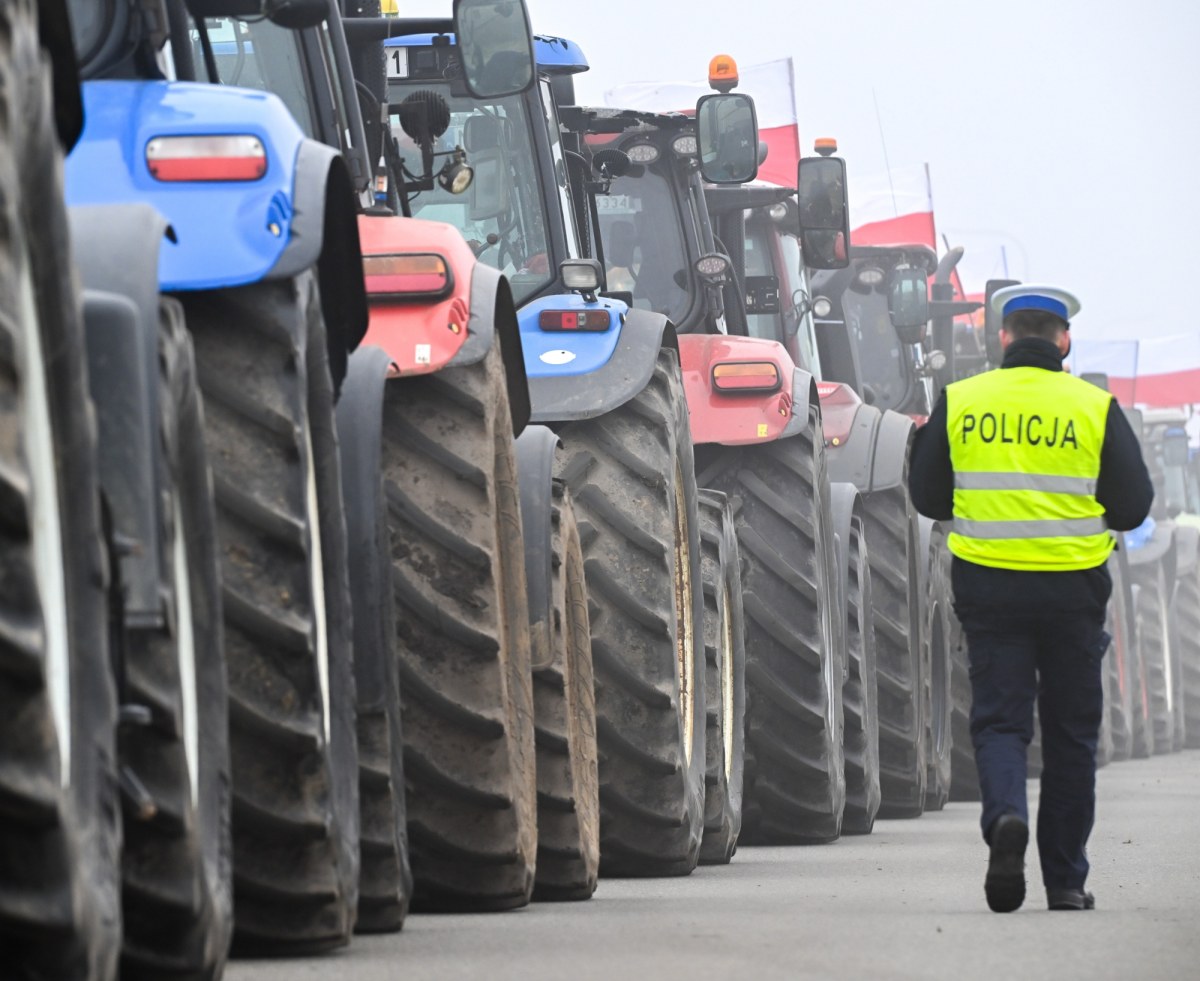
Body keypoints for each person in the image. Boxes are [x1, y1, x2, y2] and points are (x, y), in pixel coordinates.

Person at [908, 285, 1153, 913]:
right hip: (1073, 593)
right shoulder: (1094, 407)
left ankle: (1006, 820)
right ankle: (1066, 881)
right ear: (1064, 340)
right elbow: (1133, 507)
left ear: (1005, 337)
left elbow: (928, 498)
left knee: (1000, 722)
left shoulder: (961, 401)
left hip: (989, 589)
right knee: (1072, 736)